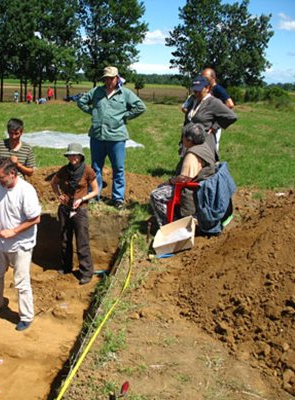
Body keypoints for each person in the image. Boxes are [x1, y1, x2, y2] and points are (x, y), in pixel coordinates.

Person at [0, 158, 41, 331]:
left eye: (2, 178)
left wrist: (14, 231)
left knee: (21, 281)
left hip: (21, 244)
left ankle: (26, 316)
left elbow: (35, 218)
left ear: (12, 174)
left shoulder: (26, 191)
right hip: (2, 241)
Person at [77, 66, 146, 208]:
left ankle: (117, 198)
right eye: (106, 78)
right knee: (96, 167)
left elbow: (140, 107)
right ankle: (95, 195)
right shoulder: (96, 91)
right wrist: (93, 112)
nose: (108, 81)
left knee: (118, 168)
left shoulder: (125, 93)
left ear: (117, 78)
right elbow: (81, 102)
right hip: (97, 136)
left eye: (111, 78)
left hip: (116, 138)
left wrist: (125, 116)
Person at [150, 123, 216, 228]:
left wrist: (170, 181)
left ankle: (166, 226)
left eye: (183, 137)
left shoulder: (192, 154)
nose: (182, 140)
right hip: (202, 185)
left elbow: (184, 179)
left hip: (191, 189)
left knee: (156, 195)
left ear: (189, 140)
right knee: (161, 188)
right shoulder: (204, 147)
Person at [51, 143, 98, 285]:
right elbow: (54, 183)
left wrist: (82, 199)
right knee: (65, 239)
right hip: (65, 209)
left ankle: (86, 272)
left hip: (80, 210)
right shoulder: (64, 170)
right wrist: (59, 195)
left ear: (80, 156)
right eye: (70, 155)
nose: (73, 158)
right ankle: (66, 267)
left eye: (75, 155)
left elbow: (95, 191)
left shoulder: (88, 171)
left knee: (82, 241)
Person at [183, 75, 237, 160]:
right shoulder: (193, 100)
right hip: (189, 142)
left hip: (204, 144)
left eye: (199, 90)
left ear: (207, 88)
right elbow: (188, 119)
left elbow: (232, 116)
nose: (196, 93)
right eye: (195, 90)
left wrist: (215, 126)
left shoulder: (213, 102)